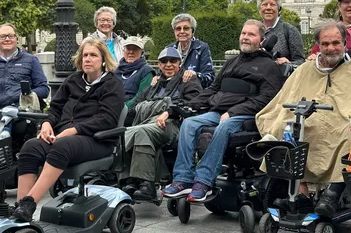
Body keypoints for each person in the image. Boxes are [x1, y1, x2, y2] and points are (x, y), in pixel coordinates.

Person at [254, 20, 351, 217]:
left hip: (344, 121)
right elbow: (285, 100)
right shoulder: (306, 69)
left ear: (344, 43)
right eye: (325, 44)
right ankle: (301, 193)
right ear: (318, 45)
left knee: (349, 135)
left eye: (335, 43)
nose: (331, 48)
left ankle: (333, 193)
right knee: (286, 128)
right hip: (310, 120)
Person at [161, 20, 284, 202]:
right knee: (188, 123)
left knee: (224, 126)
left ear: (262, 40)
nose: (245, 37)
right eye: (243, 33)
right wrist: (182, 108)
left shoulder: (269, 67)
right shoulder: (232, 62)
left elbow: (267, 99)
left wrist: (235, 111)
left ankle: (204, 181)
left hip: (246, 114)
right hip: (219, 110)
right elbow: (212, 89)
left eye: (251, 34)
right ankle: (183, 178)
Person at [11, 39, 125, 222]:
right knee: (30, 146)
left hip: (97, 140)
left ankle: (29, 203)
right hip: (64, 136)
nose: (88, 59)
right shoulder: (73, 80)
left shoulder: (113, 84)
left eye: (93, 55)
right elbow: (55, 108)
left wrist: (74, 130)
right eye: (85, 55)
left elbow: (107, 119)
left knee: (63, 145)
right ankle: (20, 209)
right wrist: (47, 124)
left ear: (103, 59)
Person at [121, 47, 202, 200]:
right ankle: (132, 179)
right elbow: (136, 103)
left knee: (141, 132)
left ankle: (146, 183)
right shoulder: (155, 83)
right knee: (124, 132)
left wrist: (168, 110)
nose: (168, 64)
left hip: (174, 124)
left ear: (180, 62)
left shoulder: (188, 80)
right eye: (164, 61)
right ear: (159, 65)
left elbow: (194, 103)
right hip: (149, 122)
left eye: (173, 61)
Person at [164, 13, 215, 88]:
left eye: (186, 28)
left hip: (194, 93)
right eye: (178, 28)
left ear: (193, 31)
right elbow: (161, 73)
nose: (182, 32)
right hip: (171, 93)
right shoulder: (169, 49)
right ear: (174, 32)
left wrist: (195, 74)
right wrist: (157, 78)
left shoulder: (202, 48)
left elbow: (210, 77)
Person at [257, 0, 305, 66]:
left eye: (272, 4)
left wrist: (288, 64)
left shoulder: (290, 30)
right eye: (264, 4)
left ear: (279, 9)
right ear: (260, 9)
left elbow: (300, 61)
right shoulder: (255, 31)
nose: (268, 8)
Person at [115, 36, 155, 108]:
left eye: (135, 49)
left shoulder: (146, 71)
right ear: (124, 50)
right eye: (128, 49)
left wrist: (123, 107)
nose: (131, 52)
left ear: (141, 52)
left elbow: (141, 97)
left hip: (130, 111)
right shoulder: (116, 70)